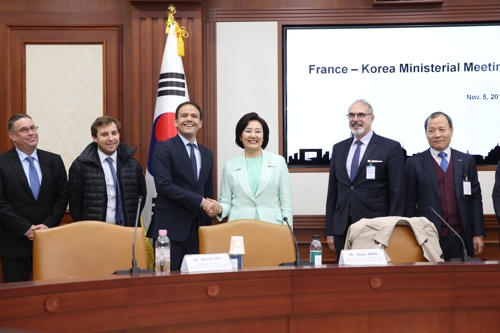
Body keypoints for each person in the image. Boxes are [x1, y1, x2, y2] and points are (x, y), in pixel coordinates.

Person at [325, 99, 406, 256]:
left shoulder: (390, 147)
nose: (355, 119)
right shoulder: (339, 148)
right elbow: (333, 193)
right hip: (343, 228)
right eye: (352, 115)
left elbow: (398, 192)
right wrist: (330, 231)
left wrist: (394, 228)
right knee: (346, 277)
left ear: (372, 118)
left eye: (361, 115)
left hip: (377, 228)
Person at [146, 101, 217, 271]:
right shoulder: (164, 148)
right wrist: (201, 201)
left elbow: (206, 192)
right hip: (170, 230)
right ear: (175, 122)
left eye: (194, 116)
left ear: (200, 123)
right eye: (184, 116)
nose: (189, 119)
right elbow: (164, 185)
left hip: (199, 230)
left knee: (197, 284)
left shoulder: (207, 154)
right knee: (167, 283)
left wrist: (212, 207)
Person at [405, 112, 484, 260]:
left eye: (442, 129)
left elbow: (475, 199)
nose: (437, 135)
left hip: (461, 235)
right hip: (427, 237)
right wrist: (412, 236)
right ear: (426, 133)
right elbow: (409, 203)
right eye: (431, 130)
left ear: (451, 131)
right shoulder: (414, 163)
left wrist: (478, 233)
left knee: (460, 280)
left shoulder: (466, 161)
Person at [0, 114, 68, 282]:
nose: (31, 133)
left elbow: (62, 197)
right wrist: (25, 228)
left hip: (48, 240)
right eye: (24, 130)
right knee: (18, 295)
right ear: (12, 136)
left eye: (33, 128)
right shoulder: (2, 163)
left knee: (49, 293)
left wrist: (47, 225)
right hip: (14, 241)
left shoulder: (54, 160)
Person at [211, 112, 293, 226]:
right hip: (239, 225)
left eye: (258, 131)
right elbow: (226, 202)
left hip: (272, 226)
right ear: (240, 136)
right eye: (248, 131)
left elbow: (286, 203)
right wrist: (219, 208)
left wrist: (287, 232)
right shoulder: (229, 166)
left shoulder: (278, 162)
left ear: (264, 136)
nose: (253, 135)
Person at [68, 116, 147, 227]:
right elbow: (75, 203)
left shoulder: (133, 165)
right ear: (95, 138)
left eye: (114, 133)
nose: (111, 138)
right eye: (104, 134)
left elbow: (141, 197)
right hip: (94, 231)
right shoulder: (80, 166)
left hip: (127, 229)